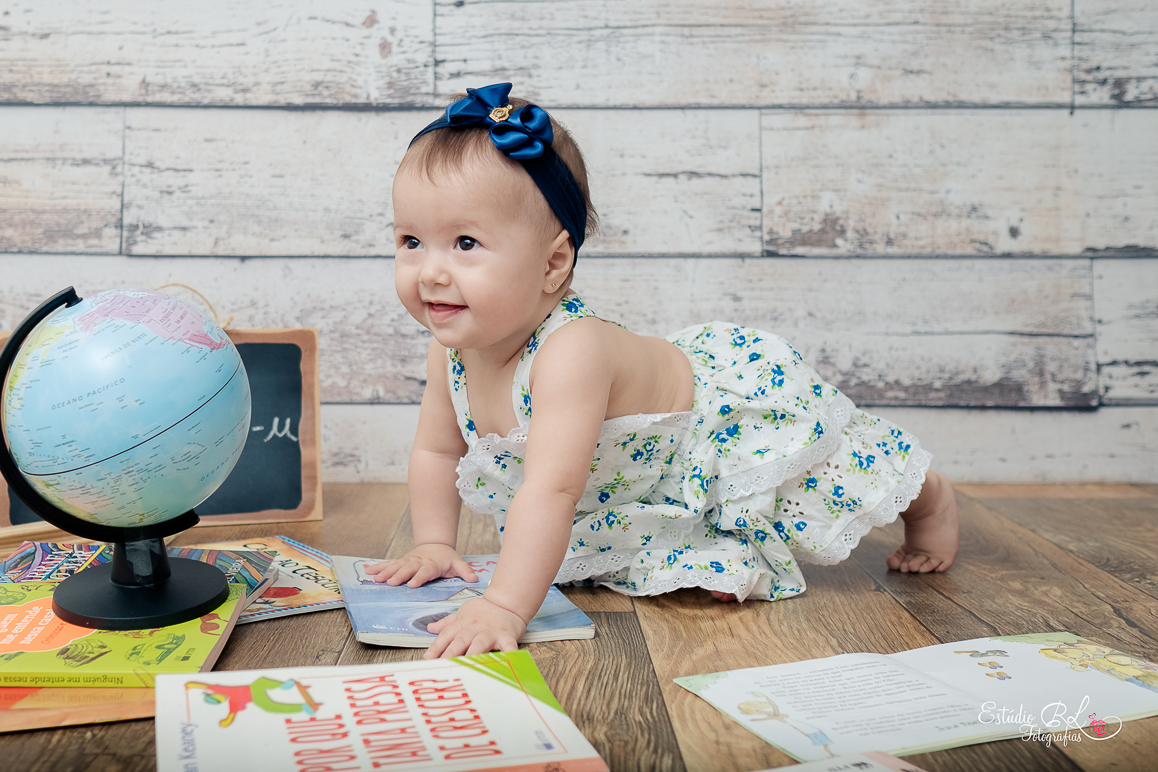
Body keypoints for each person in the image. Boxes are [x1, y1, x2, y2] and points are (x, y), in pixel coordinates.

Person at [365, 83, 959, 659]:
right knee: (653, 564)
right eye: (411, 241)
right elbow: (437, 452)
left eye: (465, 243)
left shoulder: (570, 352)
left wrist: (504, 606)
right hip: (635, 479)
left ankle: (929, 499)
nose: (430, 272)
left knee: (824, 476)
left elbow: (552, 490)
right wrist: (435, 544)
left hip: (708, 423)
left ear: (553, 263)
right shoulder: (450, 352)